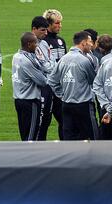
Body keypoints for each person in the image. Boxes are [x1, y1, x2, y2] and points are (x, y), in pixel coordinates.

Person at [47, 31, 98, 140]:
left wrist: (61, 94)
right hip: (84, 105)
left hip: (66, 104)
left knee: (70, 138)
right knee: (92, 137)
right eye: (89, 42)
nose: (91, 44)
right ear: (83, 43)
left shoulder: (63, 59)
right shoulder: (85, 61)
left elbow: (52, 80)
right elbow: (94, 81)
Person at [12, 32, 47, 141]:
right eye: (35, 43)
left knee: (24, 133)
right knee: (31, 135)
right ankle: (30, 156)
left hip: (18, 99)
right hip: (30, 101)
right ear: (28, 44)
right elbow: (42, 81)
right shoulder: (27, 61)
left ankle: (24, 154)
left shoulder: (16, 56)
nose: (37, 46)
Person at [41, 9, 66, 140]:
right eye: (57, 23)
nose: (60, 26)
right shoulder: (42, 42)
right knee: (44, 120)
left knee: (64, 120)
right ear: (49, 24)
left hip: (60, 87)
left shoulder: (61, 41)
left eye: (60, 23)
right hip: (47, 87)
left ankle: (64, 146)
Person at [30, 16, 56, 141]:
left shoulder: (45, 43)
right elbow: (44, 66)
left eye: (46, 30)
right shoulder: (30, 44)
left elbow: (50, 63)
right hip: (39, 87)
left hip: (48, 85)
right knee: (39, 121)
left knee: (47, 118)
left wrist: (51, 66)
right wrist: (51, 66)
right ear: (34, 29)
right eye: (42, 30)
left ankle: (42, 144)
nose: (46, 33)